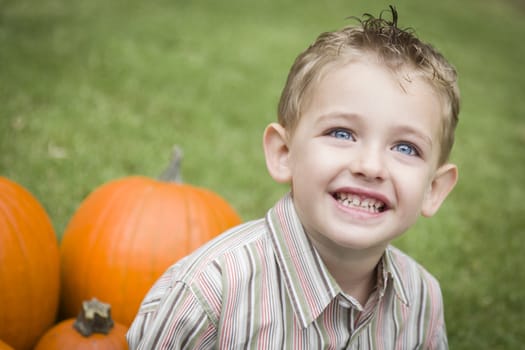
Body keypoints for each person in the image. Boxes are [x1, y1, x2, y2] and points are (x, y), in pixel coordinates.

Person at [127, 6, 459, 349]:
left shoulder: (422, 300)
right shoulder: (209, 296)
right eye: (342, 133)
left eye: (405, 148)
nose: (371, 166)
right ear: (284, 154)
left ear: (434, 189)